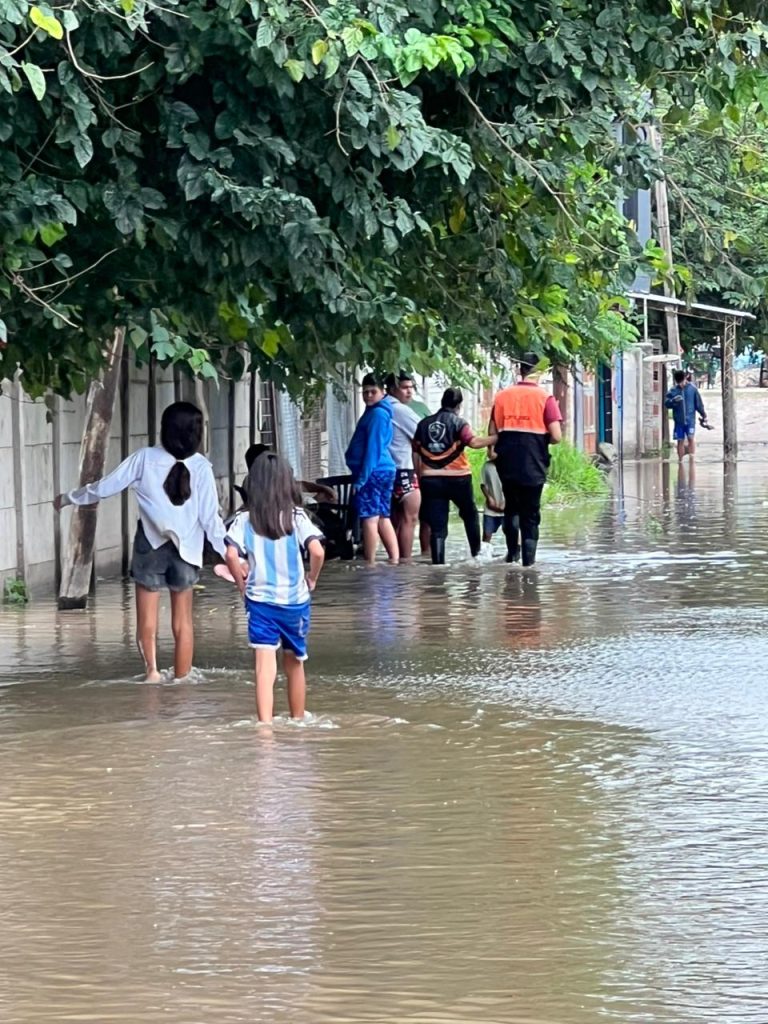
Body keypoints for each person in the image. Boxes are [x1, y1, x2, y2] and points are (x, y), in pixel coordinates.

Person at [53, 402, 227, 681]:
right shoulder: (202, 467)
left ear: (165, 429)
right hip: (187, 552)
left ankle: (152, 673)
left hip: (150, 547)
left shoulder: (144, 459)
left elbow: (104, 488)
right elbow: (211, 522)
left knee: (146, 621)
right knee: (183, 623)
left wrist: (67, 498)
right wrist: (230, 554)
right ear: (196, 434)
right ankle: (183, 681)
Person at [224, 452, 325, 724]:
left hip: (260, 603)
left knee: (263, 668)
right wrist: (312, 578)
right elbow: (317, 551)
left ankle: (265, 727)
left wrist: (241, 585)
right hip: (295, 603)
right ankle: (297, 720)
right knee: (294, 664)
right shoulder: (298, 517)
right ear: (287, 483)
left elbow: (231, 556)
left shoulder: (244, 520)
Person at [489, 354, 563, 567]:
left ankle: (512, 555)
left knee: (511, 507)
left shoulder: (502, 397)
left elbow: (493, 431)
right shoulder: (545, 398)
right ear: (538, 372)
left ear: (520, 370)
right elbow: (556, 436)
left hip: (507, 462)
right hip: (534, 463)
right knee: (530, 513)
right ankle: (529, 564)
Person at [413, 387, 494, 564]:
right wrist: (496, 438)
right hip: (458, 479)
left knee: (438, 526)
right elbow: (473, 442)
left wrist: (420, 476)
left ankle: (438, 566)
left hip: (431, 479)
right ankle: (476, 555)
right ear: (458, 405)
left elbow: (416, 452)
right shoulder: (459, 423)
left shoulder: (424, 424)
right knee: (470, 514)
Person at [345, 373, 399, 565]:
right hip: (383, 470)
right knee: (383, 516)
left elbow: (373, 450)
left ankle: (370, 564)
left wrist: (362, 479)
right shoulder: (378, 411)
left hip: (374, 472)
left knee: (370, 517)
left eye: (372, 392)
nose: (368, 396)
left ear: (383, 392)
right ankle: (394, 561)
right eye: (365, 392)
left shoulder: (376, 414)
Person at [385, 370, 422, 561]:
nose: (409, 392)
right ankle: (405, 563)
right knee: (410, 519)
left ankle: (394, 559)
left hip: (385, 471)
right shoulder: (400, 410)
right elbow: (423, 433)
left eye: (411, 387)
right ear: (392, 389)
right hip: (403, 470)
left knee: (394, 520)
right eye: (404, 388)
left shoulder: (379, 408)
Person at [665, 368, 708, 462]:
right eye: (679, 382)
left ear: (686, 378)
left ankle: (692, 459)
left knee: (690, 438)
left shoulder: (692, 389)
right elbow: (667, 404)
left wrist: (703, 414)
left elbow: (698, 404)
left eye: (682, 381)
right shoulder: (673, 391)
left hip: (690, 420)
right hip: (679, 420)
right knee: (680, 440)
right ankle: (680, 460)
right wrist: (673, 401)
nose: (681, 384)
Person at [480, 451, 505, 557]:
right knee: (486, 535)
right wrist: (489, 498)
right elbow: (483, 484)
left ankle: (514, 557)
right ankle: (483, 557)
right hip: (491, 508)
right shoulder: (487, 466)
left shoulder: (510, 465)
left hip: (508, 507)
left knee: (513, 534)